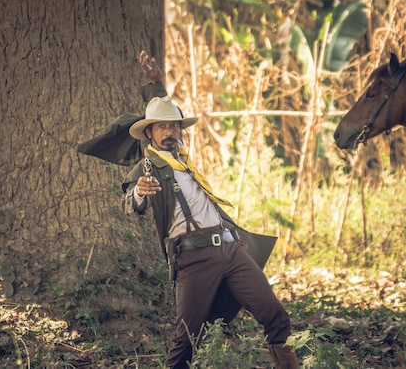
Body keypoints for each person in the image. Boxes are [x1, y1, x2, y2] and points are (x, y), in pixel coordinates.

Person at [122, 51, 298, 369]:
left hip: (231, 249)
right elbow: (130, 202)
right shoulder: (149, 165)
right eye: (160, 127)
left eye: (173, 126)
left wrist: (156, 83)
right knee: (186, 339)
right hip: (193, 258)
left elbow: (163, 109)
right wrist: (139, 193)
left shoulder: (182, 159)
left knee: (275, 315)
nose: (168, 131)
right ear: (149, 134)